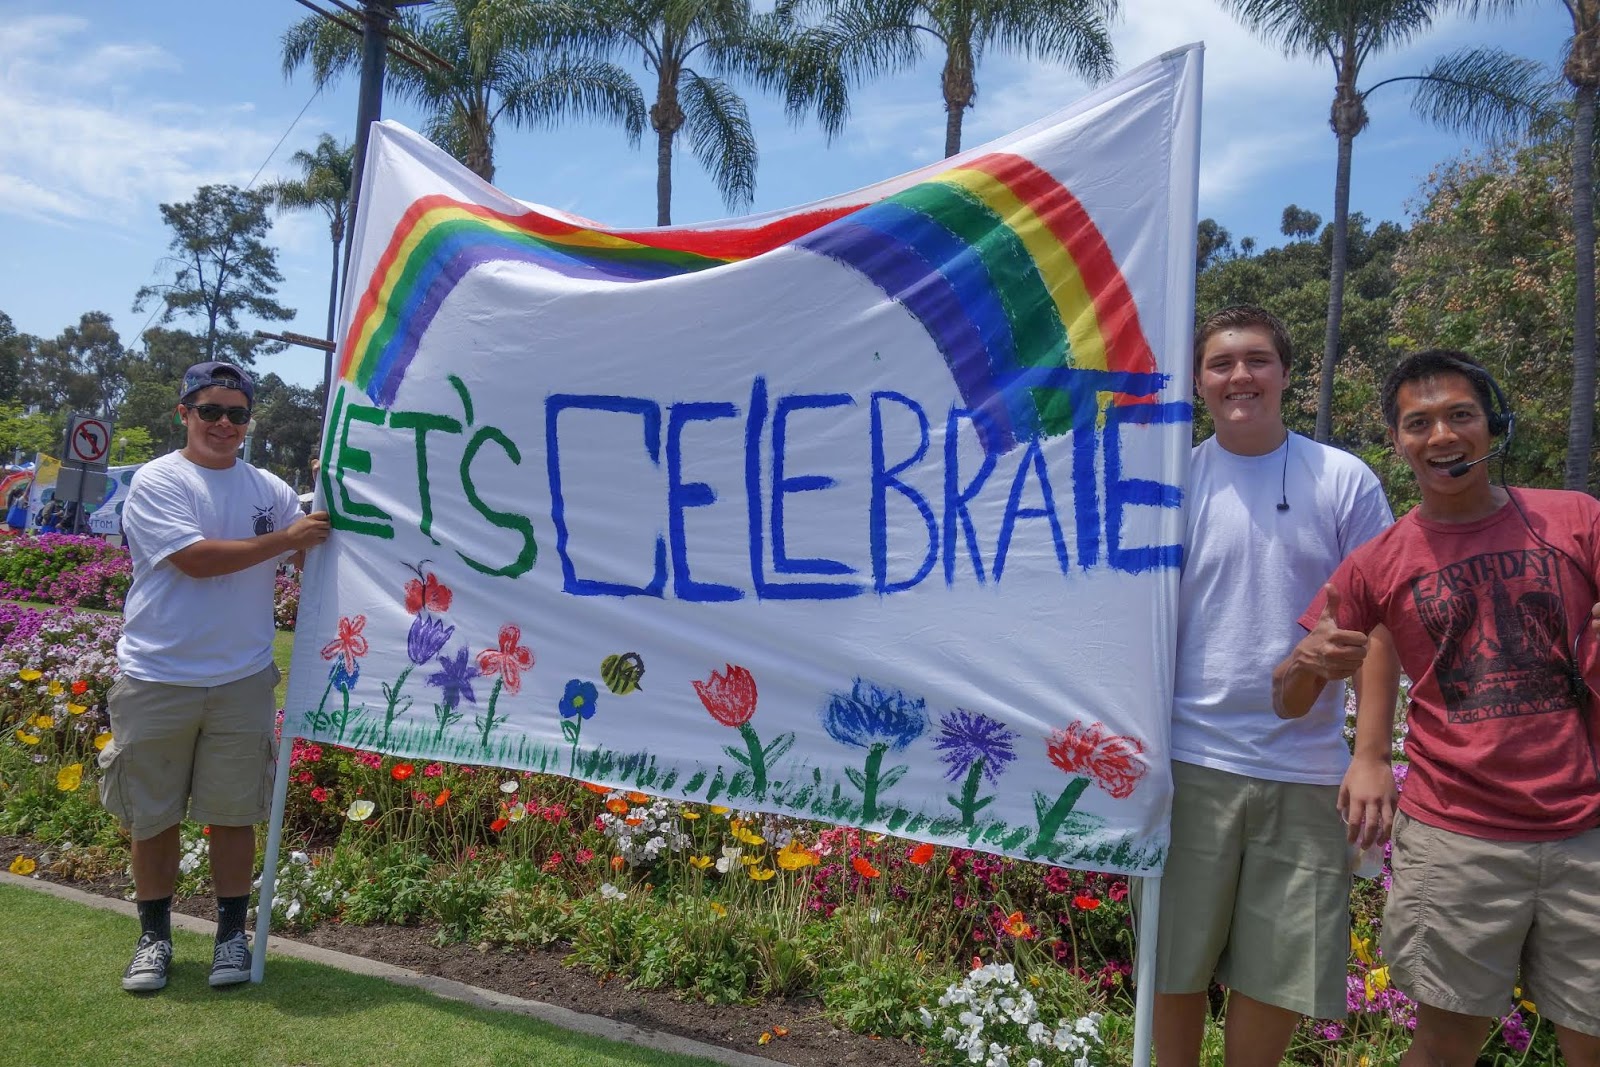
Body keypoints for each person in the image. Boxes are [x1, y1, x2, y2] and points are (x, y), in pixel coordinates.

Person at [1275, 350, 1600, 1067]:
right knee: (1446, 1042)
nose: (1442, 436)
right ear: (1398, 441)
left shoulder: (1577, 521)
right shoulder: (1377, 562)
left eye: (1461, 414)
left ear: (1493, 424)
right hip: (1457, 840)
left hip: (1586, 830)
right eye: (1418, 423)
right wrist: (1307, 665)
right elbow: (1289, 700)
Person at [1154, 306, 1400, 1067]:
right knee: (1173, 964)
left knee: (1276, 969)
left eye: (1257, 360)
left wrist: (1371, 755)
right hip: (1186, 762)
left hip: (1304, 768)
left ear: (1286, 374)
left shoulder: (1341, 478)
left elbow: (1381, 620)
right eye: (1221, 363)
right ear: (1198, 382)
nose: (1240, 376)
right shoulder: (1173, 478)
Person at [100, 360, 331, 993]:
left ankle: (231, 938)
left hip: (243, 678)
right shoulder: (158, 480)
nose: (224, 424)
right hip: (157, 675)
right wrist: (285, 540)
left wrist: (332, 486)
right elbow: (197, 560)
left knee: (234, 815)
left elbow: (311, 549)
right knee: (154, 818)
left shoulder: (271, 491)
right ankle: (155, 938)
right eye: (211, 411)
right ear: (185, 413)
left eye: (237, 413)